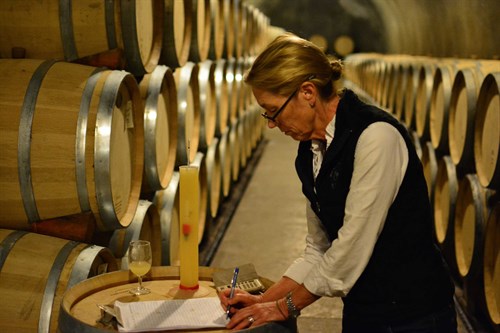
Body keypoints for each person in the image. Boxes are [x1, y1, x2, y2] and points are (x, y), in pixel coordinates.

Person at [218, 32, 457, 333]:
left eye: (273, 111)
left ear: (307, 92)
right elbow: (319, 249)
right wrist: (262, 301)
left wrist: (281, 308)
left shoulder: (375, 137)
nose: (270, 123)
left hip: (415, 316)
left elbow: (349, 252)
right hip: (364, 313)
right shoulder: (310, 151)